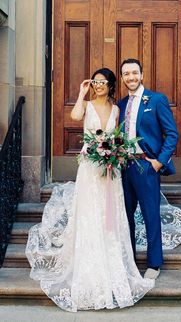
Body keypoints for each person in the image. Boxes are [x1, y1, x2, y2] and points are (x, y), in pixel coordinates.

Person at [25, 68, 154, 312]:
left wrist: (115, 152)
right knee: (89, 214)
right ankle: (88, 269)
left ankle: (111, 265)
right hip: (90, 168)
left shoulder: (117, 109)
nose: (99, 86)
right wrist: (81, 92)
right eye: (96, 82)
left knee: (110, 216)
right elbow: (74, 116)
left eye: (103, 82)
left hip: (111, 170)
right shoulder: (87, 104)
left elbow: (120, 137)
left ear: (111, 85)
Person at [118, 58, 179, 280]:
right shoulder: (121, 104)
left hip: (146, 165)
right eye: (126, 74)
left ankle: (154, 263)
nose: (131, 77)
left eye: (135, 73)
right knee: (125, 216)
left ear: (142, 75)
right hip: (124, 166)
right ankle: (129, 260)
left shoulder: (156, 100)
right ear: (123, 77)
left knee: (150, 214)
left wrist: (158, 162)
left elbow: (172, 134)